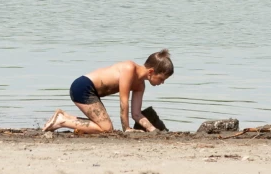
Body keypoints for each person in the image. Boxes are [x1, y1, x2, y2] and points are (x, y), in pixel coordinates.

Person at [43, 49, 174, 134]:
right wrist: (126, 129)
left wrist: (152, 129)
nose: (162, 82)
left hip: (92, 93)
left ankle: (66, 117)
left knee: (104, 127)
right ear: (151, 72)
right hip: (83, 87)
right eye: (161, 78)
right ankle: (61, 121)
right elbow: (123, 102)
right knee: (106, 129)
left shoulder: (140, 85)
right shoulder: (129, 69)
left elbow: (136, 114)